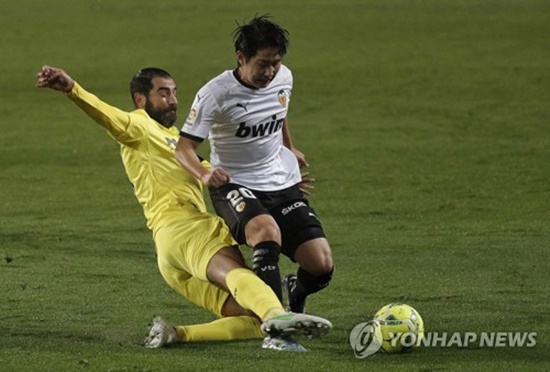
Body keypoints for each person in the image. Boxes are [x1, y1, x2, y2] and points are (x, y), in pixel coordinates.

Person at [36, 65, 332, 352]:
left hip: (169, 253)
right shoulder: (139, 126)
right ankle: (278, 317)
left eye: (175, 93)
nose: (173, 100)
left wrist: (281, 183)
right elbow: (109, 117)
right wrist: (73, 90)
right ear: (141, 99)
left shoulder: (178, 142)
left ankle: (176, 334)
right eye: (163, 93)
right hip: (186, 228)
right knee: (248, 287)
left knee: (252, 316)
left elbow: (223, 176)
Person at [175, 15, 334, 314]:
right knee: (265, 232)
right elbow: (183, 148)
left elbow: (279, 108)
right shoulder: (214, 94)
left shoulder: (284, 77)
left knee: (321, 265)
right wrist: (204, 173)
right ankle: (273, 326)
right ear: (241, 58)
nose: (270, 71)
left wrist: (289, 147)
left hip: (280, 181)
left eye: (275, 62)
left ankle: (295, 291)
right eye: (263, 63)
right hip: (234, 185)